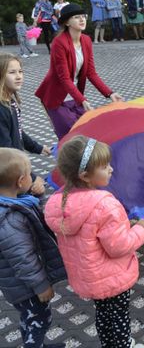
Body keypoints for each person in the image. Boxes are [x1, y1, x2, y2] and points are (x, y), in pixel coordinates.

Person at [44, 135, 144, 348]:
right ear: (85, 175)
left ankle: (109, 344)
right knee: (119, 315)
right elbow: (119, 246)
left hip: (90, 277)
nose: (111, 169)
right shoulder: (104, 205)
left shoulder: (59, 202)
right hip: (112, 277)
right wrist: (141, 228)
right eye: (104, 166)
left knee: (103, 313)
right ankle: (123, 345)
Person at [0, 148, 66, 348]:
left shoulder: (15, 204)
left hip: (19, 284)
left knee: (29, 319)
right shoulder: (9, 219)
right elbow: (23, 259)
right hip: (25, 287)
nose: (32, 177)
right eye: (30, 174)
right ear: (20, 181)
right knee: (39, 321)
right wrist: (41, 285)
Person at [35, 4, 124, 140]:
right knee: (71, 138)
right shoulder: (59, 43)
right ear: (66, 22)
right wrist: (82, 100)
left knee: (85, 133)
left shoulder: (86, 40)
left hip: (74, 96)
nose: (82, 20)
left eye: (83, 16)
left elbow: (91, 73)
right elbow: (64, 78)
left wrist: (109, 93)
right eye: (76, 17)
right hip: (56, 97)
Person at [0, 52, 51, 197]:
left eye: (20, 71)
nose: (18, 76)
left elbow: (18, 131)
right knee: (38, 194)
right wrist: (32, 178)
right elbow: (7, 151)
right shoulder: (2, 108)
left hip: (14, 168)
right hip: (7, 172)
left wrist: (38, 148)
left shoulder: (9, 101)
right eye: (12, 72)